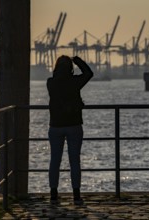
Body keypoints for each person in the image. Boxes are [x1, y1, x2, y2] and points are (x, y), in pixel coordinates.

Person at [47, 55, 93, 205]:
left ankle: (53, 195)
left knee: (55, 160)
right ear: (70, 68)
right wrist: (77, 60)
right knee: (74, 161)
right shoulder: (75, 82)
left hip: (55, 126)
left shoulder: (50, 83)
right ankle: (76, 195)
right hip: (74, 125)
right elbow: (89, 74)